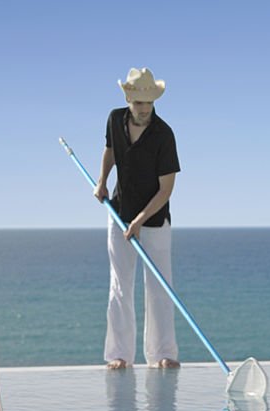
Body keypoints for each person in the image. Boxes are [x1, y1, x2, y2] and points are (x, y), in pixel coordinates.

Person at [94, 67, 181, 369]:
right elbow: (110, 152)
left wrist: (142, 219)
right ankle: (119, 355)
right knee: (120, 285)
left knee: (159, 288)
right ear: (129, 99)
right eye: (139, 103)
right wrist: (102, 181)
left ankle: (163, 355)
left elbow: (166, 189)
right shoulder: (114, 119)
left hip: (155, 221)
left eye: (149, 103)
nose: (144, 109)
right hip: (119, 214)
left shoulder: (164, 134)